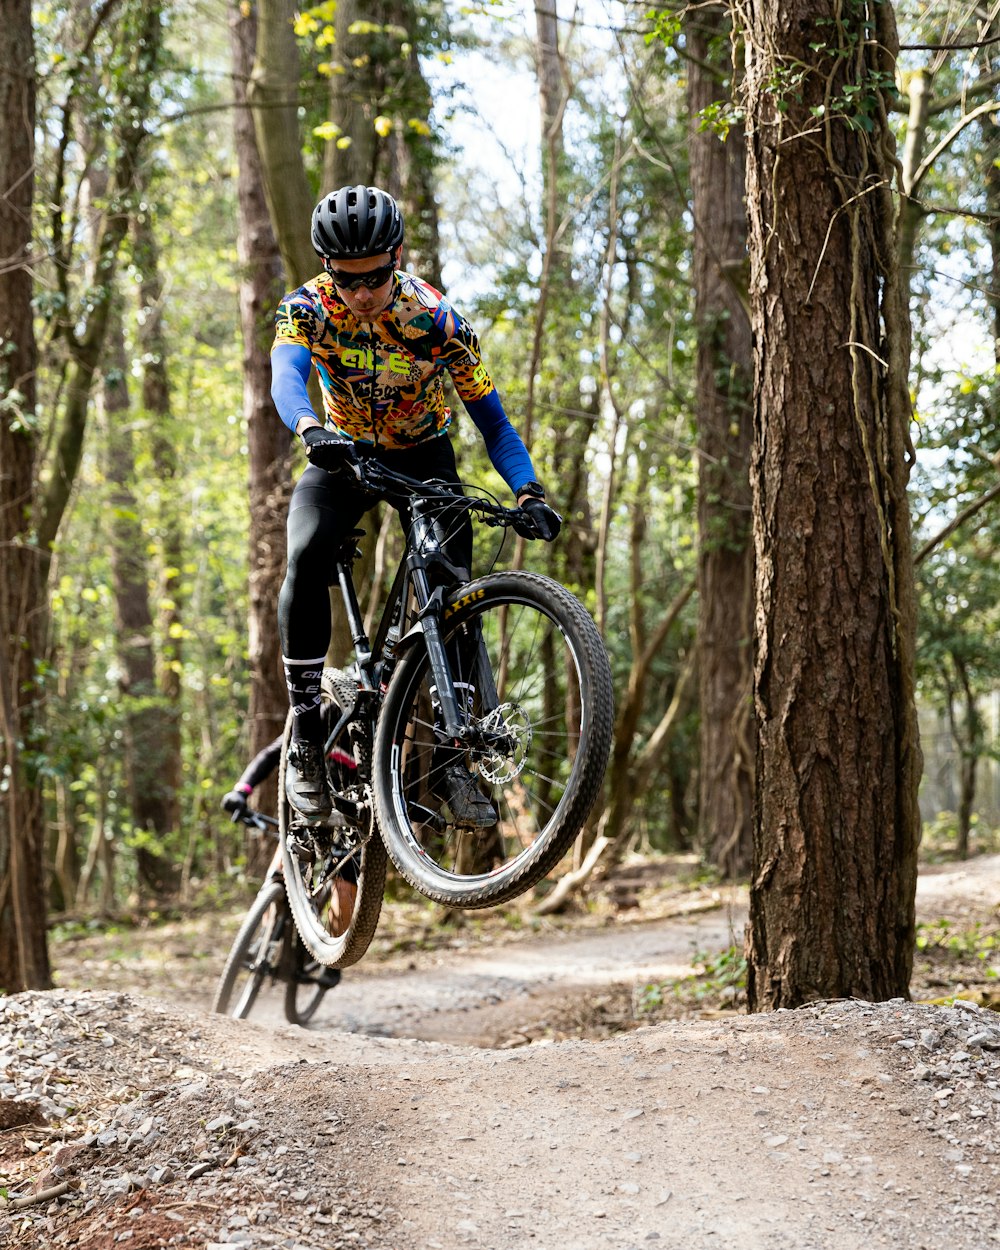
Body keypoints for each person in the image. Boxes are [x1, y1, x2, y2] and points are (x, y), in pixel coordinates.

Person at [270, 183, 561, 826]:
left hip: (425, 456)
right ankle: (307, 738)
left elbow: (495, 423)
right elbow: (287, 376)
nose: (362, 294)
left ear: (396, 257)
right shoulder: (306, 310)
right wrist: (309, 429)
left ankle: (452, 764)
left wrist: (529, 490)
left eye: (374, 277)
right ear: (328, 271)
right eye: (346, 280)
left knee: (454, 589)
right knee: (306, 553)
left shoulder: (438, 320)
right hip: (342, 452)